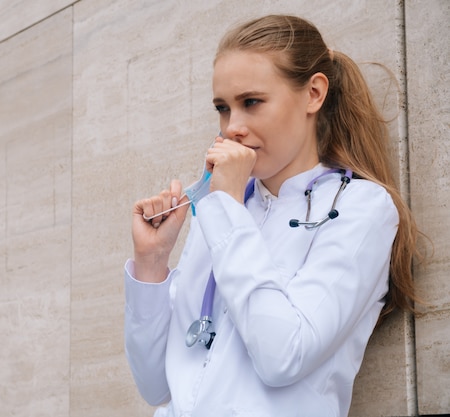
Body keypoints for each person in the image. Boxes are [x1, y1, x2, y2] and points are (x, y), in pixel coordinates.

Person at [124, 14, 420, 417]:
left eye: (251, 102)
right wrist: (152, 262)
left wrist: (225, 209)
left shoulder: (362, 209)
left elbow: (282, 356)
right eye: (223, 108)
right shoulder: (222, 210)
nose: (233, 128)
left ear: (314, 94)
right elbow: (155, 385)